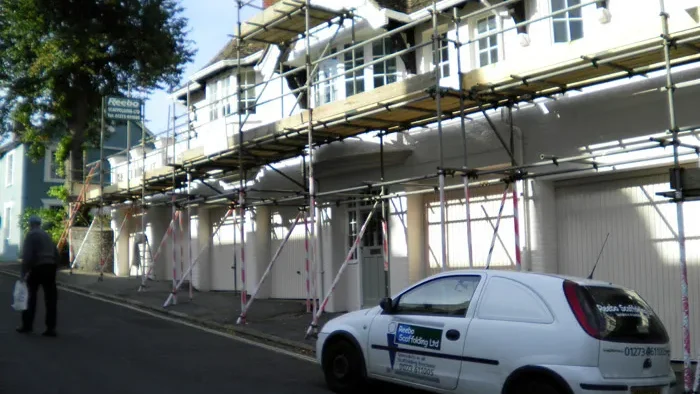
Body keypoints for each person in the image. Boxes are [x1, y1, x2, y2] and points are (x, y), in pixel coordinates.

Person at [16, 215, 59, 337]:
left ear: (30, 224)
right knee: (50, 299)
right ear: (39, 224)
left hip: (38, 267)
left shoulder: (31, 235)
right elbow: (56, 253)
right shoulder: (46, 235)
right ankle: (51, 328)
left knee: (30, 297)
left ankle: (27, 326)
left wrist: (23, 273)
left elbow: (27, 256)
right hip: (50, 267)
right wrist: (55, 267)